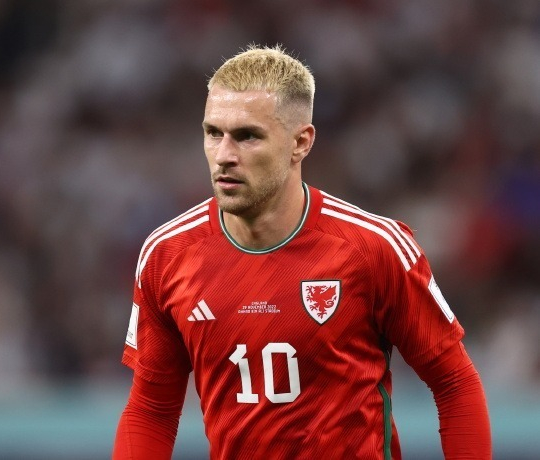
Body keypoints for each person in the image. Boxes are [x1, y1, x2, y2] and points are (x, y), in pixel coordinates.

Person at [113, 45, 491, 459]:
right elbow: (151, 409)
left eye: (248, 136)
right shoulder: (167, 255)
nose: (224, 156)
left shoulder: (373, 249)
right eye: (213, 133)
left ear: (301, 143)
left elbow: (454, 383)